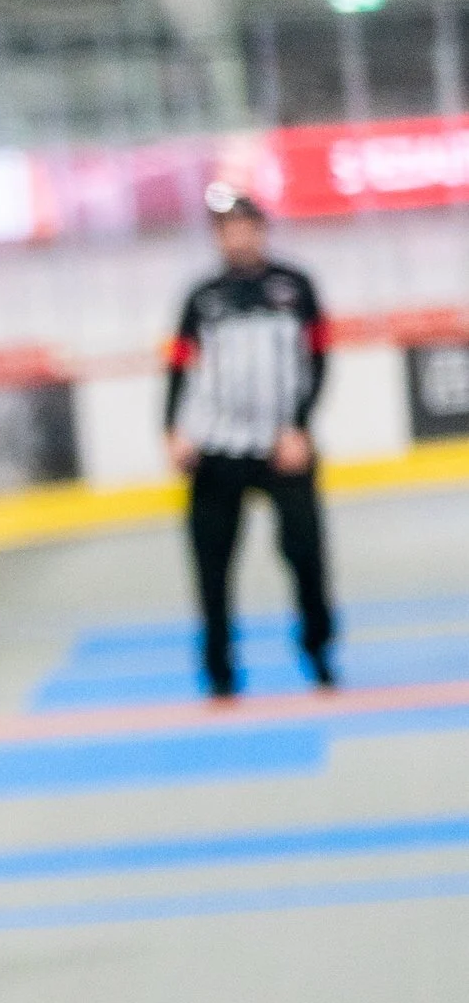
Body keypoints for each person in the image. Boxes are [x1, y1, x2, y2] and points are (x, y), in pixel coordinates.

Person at [164, 188, 336, 699]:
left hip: (283, 446)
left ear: (260, 229)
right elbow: (178, 367)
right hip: (217, 448)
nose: (236, 236)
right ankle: (219, 672)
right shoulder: (201, 296)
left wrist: (299, 427)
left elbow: (320, 359)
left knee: (305, 552)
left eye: (244, 225)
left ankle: (319, 652)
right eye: (225, 228)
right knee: (211, 563)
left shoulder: (296, 286)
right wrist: (173, 429)